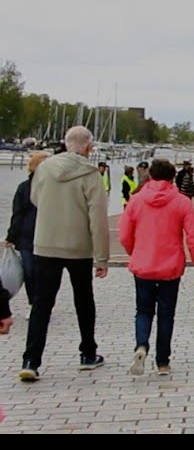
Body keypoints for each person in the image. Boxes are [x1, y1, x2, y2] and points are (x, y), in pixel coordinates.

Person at [19, 126, 110, 383]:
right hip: (78, 247)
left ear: (65, 143)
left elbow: (36, 198)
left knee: (42, 303)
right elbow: (98, 218)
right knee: (84, 300)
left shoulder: (44, 169)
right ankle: (87, 353)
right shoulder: (91, 174)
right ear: (88, 147)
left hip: (46, 245)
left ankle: (31, 360)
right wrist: (101, 257)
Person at [118, 159, 194, 376]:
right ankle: (163, 361)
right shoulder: (182, 202)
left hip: (143, 264)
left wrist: (135, 251)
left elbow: (123, 235)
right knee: (166, 314)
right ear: (172, 178)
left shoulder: (136, 200)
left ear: (150, 175)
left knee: (143, 310)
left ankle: (141, 345)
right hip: (170, 266)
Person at [6, 151, 51, 311]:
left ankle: (41, 302)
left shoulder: (52, 187)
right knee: (30, 270)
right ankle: (35, 302)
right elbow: (17, 213)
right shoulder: (24, 188)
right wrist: (11, 235)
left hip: (45, 235)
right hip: (28, 235)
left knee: (38, 271)